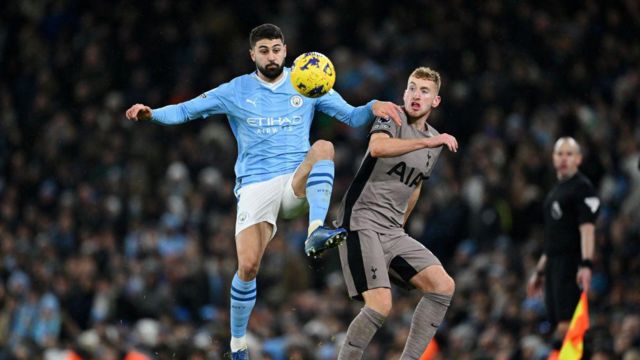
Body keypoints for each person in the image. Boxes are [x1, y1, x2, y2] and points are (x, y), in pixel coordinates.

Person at [124, 23, 402, 359]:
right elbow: (186, 109)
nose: (271, 56)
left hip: (295, 182)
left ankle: (316, 231)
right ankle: (238, 344)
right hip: (255, 187)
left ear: (285, 50)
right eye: (264, 50)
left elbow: (353, 117)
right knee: (249, 267)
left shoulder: (306, 81)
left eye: (276, 49)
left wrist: (372, 105)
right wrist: (152, 114)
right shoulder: (235, 90)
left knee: (324, 147)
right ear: (252, 54)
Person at [334, 67, 458, 359]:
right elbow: (377, 148)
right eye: (412, 88)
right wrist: (428, 141)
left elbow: (415, 186)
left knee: (443, 286)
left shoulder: (434, 141)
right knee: (380, 304)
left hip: (392, 230)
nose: (416, 95)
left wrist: (401, 227)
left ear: (435, 101)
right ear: (404, 93)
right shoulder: (391, 115)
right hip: (360, 220)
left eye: (424, 91)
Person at [527, 137, 599, 350]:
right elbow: (552, 238)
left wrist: (586, 264)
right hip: (553, 266)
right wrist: (540, 271)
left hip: (570, 263)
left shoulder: (582, 188)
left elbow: (587, 229)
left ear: (579, 159)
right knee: (559, 326)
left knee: (569, 328)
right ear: (553, 158)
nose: (564, 158)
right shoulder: (554, 192)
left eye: (569, 154)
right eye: (560, 153)